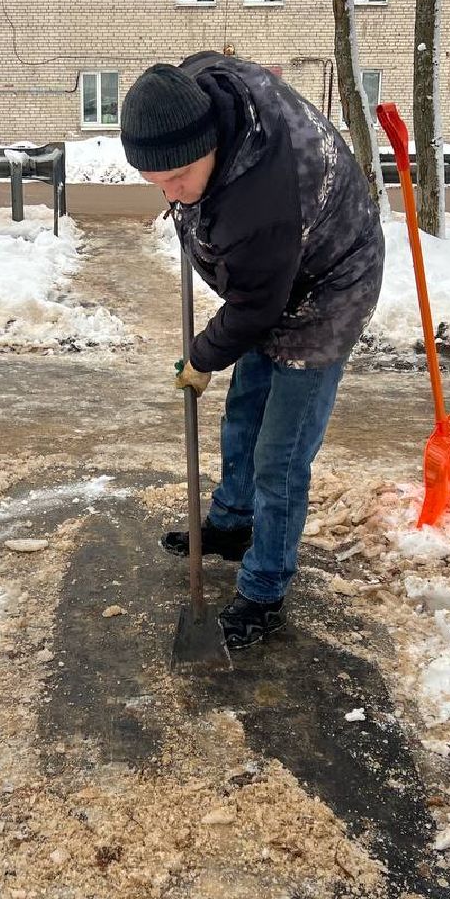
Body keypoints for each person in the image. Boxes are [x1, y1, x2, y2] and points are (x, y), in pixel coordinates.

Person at [120, 53, 384, 650]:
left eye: (181, 176)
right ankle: (233, 525)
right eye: (157, 182)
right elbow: (192, 71)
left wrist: (202, 356)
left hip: (329, 286)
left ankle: (265, 589)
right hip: (279, 268)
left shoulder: (258, 201)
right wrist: (182, 182)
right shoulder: (199, 94)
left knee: (279, 456)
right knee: (243, 416)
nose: (174, 194)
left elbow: (256, 308)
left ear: (213, 143)